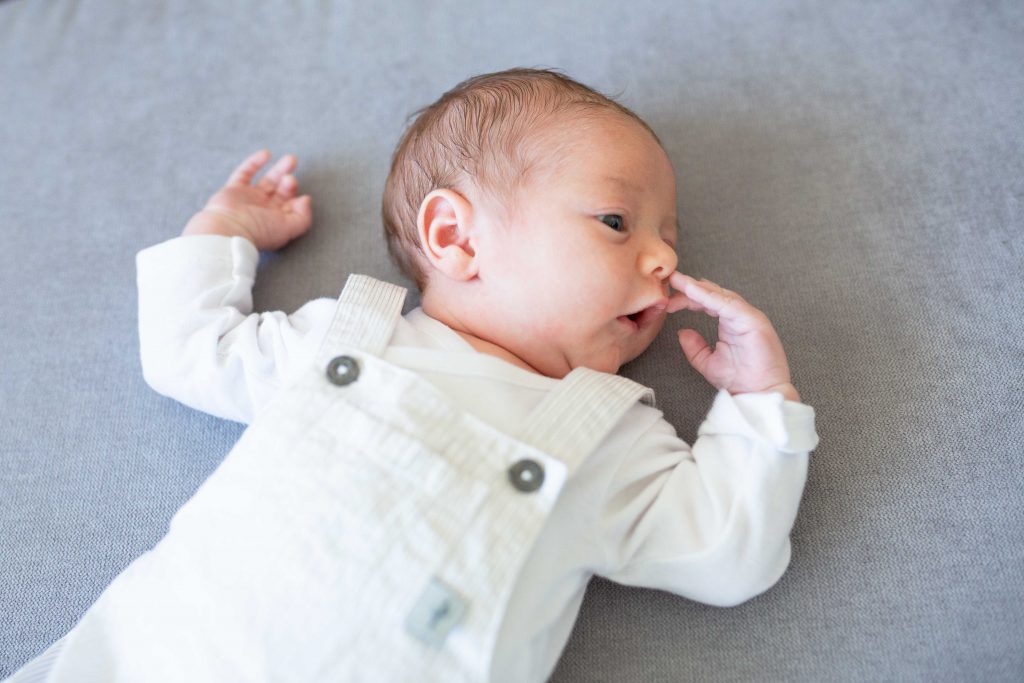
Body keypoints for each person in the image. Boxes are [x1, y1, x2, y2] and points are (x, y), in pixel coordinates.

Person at [5, 67, 818, 683]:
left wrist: (756, 403)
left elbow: (727, 556)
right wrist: (225, 229)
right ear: (455, 237)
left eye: (668, 240)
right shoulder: (343, 342)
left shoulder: (615, 433)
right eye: (617, 221)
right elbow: (188, 349)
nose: (666, 258)